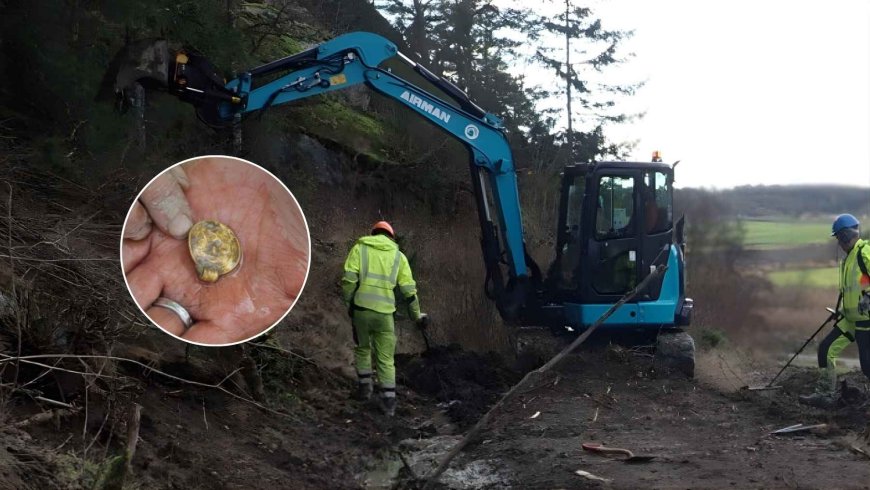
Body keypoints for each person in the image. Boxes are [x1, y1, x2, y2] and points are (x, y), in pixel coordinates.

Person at [341, 221, 427, 416]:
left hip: (361, 310)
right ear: (391, 237)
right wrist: (417, 316)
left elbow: (348, 280)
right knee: (386, 357)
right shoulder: (399, 257)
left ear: (373, 233)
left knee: (362, 348)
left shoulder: (360, 249)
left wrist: (350, 304)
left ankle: (365, 390)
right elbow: (409, 291)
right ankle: (388, 401)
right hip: (385, 314)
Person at [799, 213, 870, 408]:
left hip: (867, 319)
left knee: (867, 362)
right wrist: (840, 310)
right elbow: (850, 290)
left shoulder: (864, 252)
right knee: (826, 349)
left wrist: (868, 296)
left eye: (839, 237)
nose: (838, 242)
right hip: (850, 317)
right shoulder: (848, 259)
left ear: (847, 235)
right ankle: (825, 395)